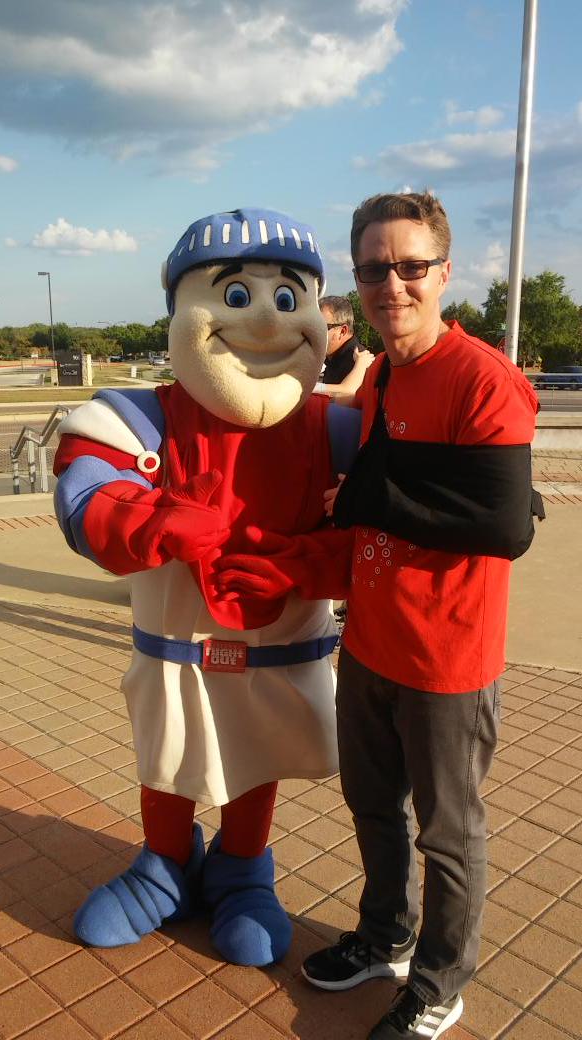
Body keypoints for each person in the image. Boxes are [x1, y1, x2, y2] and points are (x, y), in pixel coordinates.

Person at [53, 207, 354, 968]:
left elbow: (394, 536)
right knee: (171, 747)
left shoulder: (338, 429)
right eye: (234, 294)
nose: (262, 317)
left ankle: (244, 866)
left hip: (278, 650)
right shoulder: (141, 416)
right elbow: (85, 501)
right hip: (175, 647)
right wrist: (157, 520)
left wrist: (306, 564)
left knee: (258, 747)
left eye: (286, 298)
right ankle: (163, 862)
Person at [300, 192, 542, 1039]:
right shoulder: (384, 374)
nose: (390, 283)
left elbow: (503, 527)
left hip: (447, 656)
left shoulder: (481, 377)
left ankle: (438, 987)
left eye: (408, 266)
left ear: (443, 272)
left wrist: (371, 495)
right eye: (373, 268)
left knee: (447, 834)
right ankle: (384, 937)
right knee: (371, 808)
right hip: (368, 638)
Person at [317, 294, 376, 397]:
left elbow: (347, 393)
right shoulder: (332, 358)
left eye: (321, 327)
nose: (314, 334)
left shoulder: (360, 362)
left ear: (343, 331)